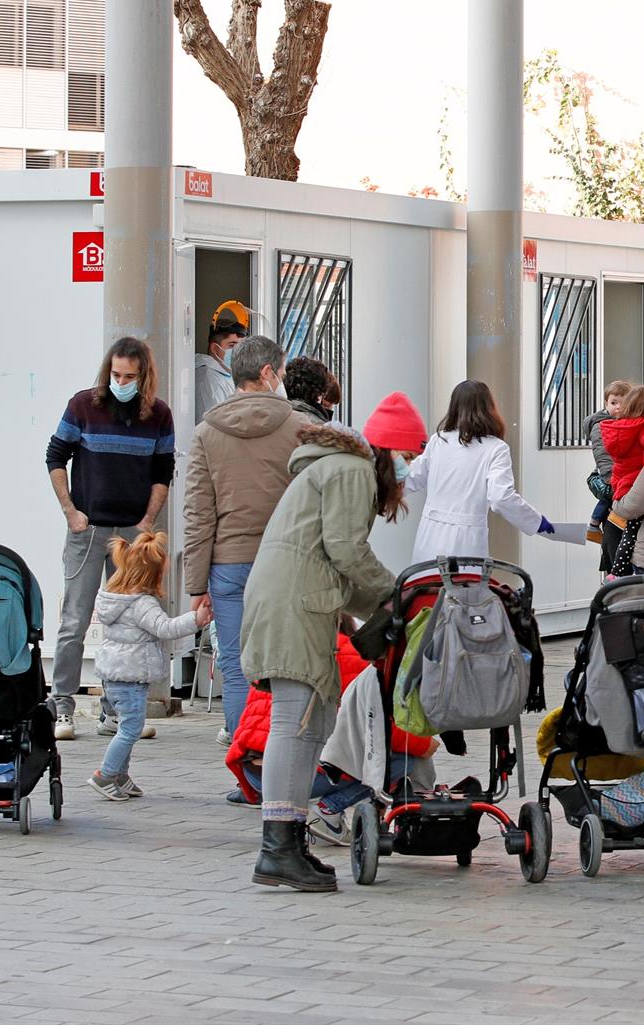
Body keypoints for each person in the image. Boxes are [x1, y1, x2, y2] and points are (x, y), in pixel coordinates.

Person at [241, 397, 424, 891]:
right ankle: (277, 847)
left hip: (298, 600)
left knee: (311, 721)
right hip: (293, 604)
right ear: (390, 450)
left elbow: (328, 552)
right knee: (295, 723)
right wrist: (397, 596)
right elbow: (346, 549)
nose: (407, 472)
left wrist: (370, 609)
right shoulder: (352, 470)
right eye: (408, 455)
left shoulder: (342, 467)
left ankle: (288, 839)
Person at [44, 338, 175, 742]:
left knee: (129, 626)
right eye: (116, 375)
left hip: (131, 535)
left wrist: (148, 520)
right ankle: (61, 706)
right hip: (90, 529)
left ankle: (114, 710)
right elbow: (55, 455)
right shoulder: (84, 405)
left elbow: (163, 469)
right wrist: (71, 511)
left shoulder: (158, 414)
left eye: (130, 376)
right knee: (75, 621)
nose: (121, 382)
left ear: (144, 376)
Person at [183, 335, 309, 745]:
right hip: (286, 565)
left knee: (237, 668)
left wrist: (196, 586)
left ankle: (248, 769)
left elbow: (198, 515)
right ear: (268, 373)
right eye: (283, 372)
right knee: (287, 666)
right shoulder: (303, 428)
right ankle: (283, 760)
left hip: (228, 567)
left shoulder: (206, 433)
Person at [86, 532, 211, 801]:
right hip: (130, 676)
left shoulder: (113, 597)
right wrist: (196, 620)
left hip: (114, 673)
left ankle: (120, 775)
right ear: (151, 575)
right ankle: (105, 774)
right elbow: (165, 628)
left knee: (126, 727)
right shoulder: (142, 603)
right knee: (131, 729)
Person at [406, 380, 553, 564]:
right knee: (463, 590)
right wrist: (536, 522)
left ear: (454, 407)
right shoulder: (496, 448)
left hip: (429, 539)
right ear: (488, 408)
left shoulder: (438, 441)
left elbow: (411, 478)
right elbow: (501, 498)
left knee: (424, 589)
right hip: (467, 544)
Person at [585, 380, 629, 542]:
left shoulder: (621, 422)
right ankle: (593, 524)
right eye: (613, 403)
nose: (618, 407)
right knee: (608, 496)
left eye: (622, 403)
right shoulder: (601, 425)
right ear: (606, 403)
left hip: (615, 470)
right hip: (607, 472)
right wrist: (609, 476)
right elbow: (602, 454)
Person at [195, 306, 250, 425]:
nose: (239, 351)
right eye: (232, 345)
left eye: (242, 346)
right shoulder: (207, 379)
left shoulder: (226, 375)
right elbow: (212, 427)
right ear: (215, 348)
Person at [283, 356, 340, 424]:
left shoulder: (279, 416)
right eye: (326, 405)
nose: (330, 410)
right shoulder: (318, 427)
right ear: (318, 396)